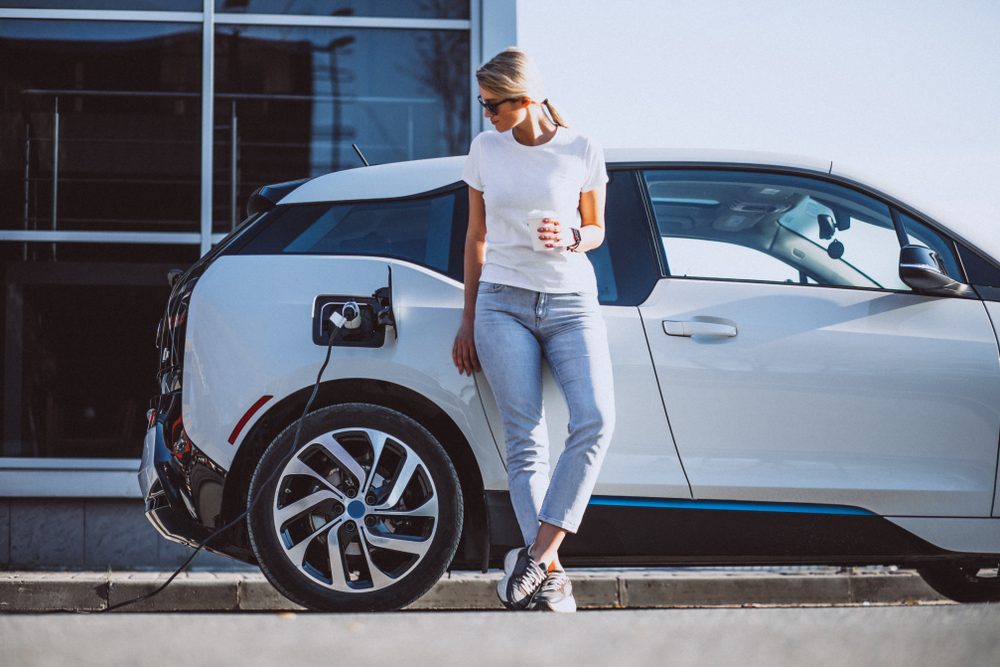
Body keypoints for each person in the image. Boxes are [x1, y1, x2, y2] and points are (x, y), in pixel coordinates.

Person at [451, 47, 616, 613]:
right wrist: (469, 318)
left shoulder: (582, 149)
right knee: (526, 442)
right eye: (483, 105)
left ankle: (536, 559)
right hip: (502, 304)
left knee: (595, 419)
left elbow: (596, 228)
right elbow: (476, 237)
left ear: (525, 100)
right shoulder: (484, 150)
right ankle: (551, 577)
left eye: (493, 106)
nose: (487, 116)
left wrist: (570, 236)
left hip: (572, 303)